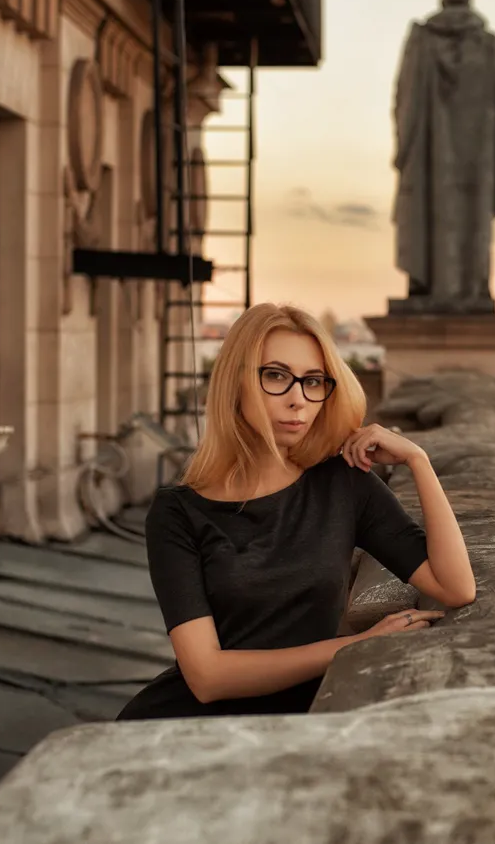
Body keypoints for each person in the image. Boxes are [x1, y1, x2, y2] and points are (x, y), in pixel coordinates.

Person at [117, 303, 475, 720]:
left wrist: (418, 460)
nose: (297, 399)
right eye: (276, 376)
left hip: (299, 727)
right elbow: (207, 676)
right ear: (236, 383)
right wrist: (353, 647)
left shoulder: (344, 484)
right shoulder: (178, 511)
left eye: (313, 381)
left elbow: (456, 588)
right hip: (181, 732)